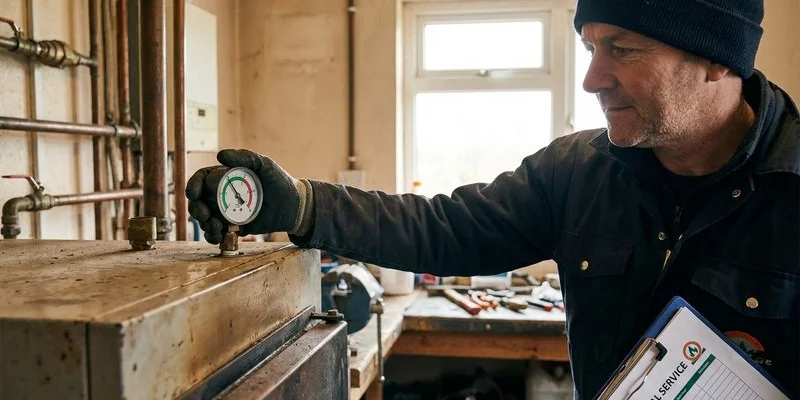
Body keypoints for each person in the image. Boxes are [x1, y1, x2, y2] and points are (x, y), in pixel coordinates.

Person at [186, 0, 799, 398]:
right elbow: (445, 228)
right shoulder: (577, 172)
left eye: (623, 49)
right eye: (590, 49)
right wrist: (300, 205)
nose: (592, 78)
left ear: (717, 58)